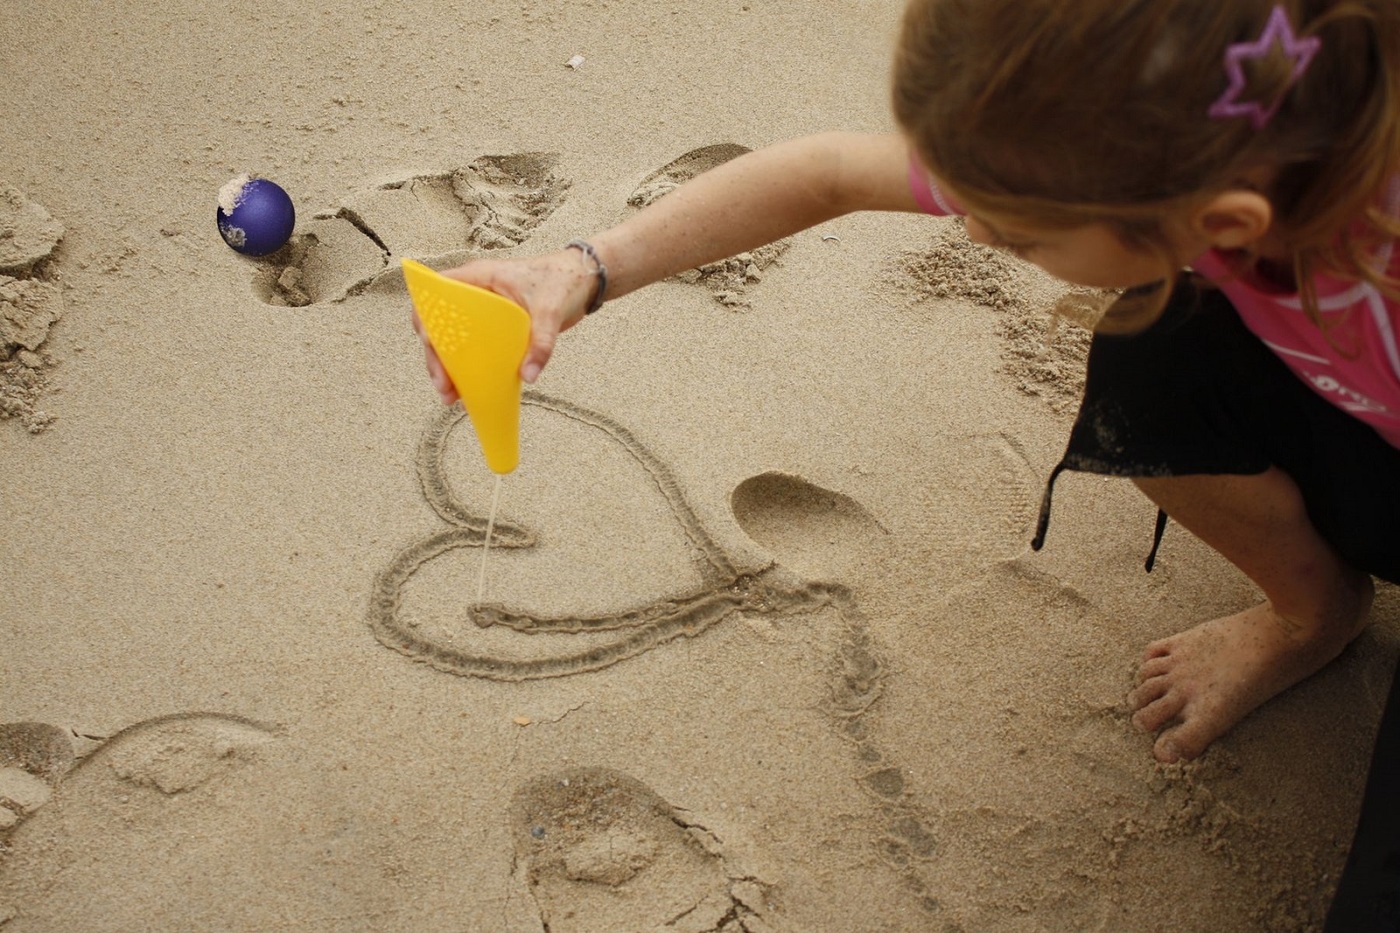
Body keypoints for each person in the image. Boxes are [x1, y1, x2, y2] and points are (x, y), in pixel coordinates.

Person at [413, 0, 1400, 765]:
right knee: (1149, 366)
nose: (969, 227)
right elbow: (827, 174)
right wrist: (578, 273)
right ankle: (1312, 611)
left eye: (1009, 231)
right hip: (1345, 396)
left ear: (1218, 224)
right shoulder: (1190, 129)